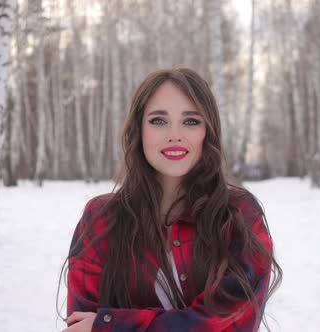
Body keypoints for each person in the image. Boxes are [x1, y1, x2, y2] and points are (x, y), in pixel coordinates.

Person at [61, 68, 282, 332]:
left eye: (190, 121)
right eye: (158, 121)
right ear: (139, 130)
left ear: (207, 132)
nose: (174, 135)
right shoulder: (100, 218)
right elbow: (80, 326)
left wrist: (114, 325)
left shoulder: (238, 214)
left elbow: (230, 325)